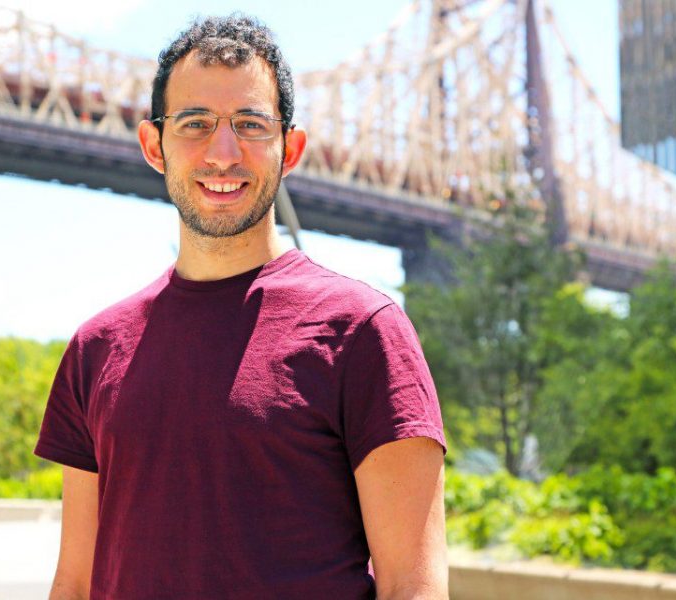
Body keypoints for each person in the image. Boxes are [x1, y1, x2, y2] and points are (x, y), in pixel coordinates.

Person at [35, 14, 448, 600]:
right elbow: (76, 584)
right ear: (154, 146)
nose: (223, 153)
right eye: (195, 123)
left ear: (291, 149)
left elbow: (414, 588)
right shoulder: (94, 348)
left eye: (251, 125)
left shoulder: (364, 331)